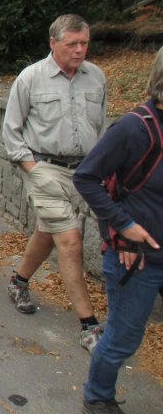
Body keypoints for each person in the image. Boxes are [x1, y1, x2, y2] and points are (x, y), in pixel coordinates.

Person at [2, 13, 107, 354]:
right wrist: (31, 167)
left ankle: (18, 282)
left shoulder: (97, 78)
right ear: (53, 43)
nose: (79, 51)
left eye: (84, 43)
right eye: (72, 44)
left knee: (47, 232)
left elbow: (102, 127)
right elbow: (11, 129)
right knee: (71, 239)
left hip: (85, 171)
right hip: (44, 168)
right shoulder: (31, 78)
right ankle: (88, 326)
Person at [72, 48, 163, 414]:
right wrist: (124, 225)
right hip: (139, 258)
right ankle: (97, 396)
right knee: (124, 338)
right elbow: (86, 177)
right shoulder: (134, 128)